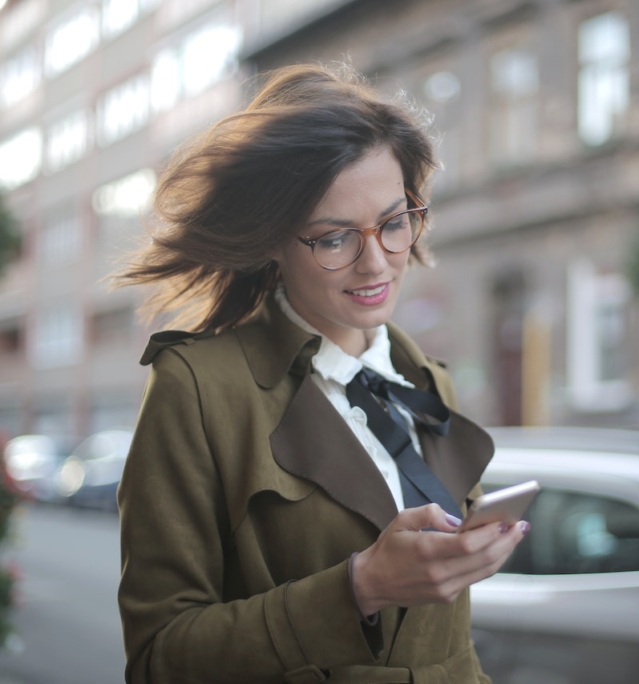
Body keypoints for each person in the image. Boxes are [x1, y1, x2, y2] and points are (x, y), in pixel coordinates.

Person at [115, 63, 529, 684]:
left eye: (393, 223)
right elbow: (159, 658)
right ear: (274, 242)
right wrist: (358, 587)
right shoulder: (198, 389)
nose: (376, 264)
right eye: (335, 238)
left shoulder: (426, 381)